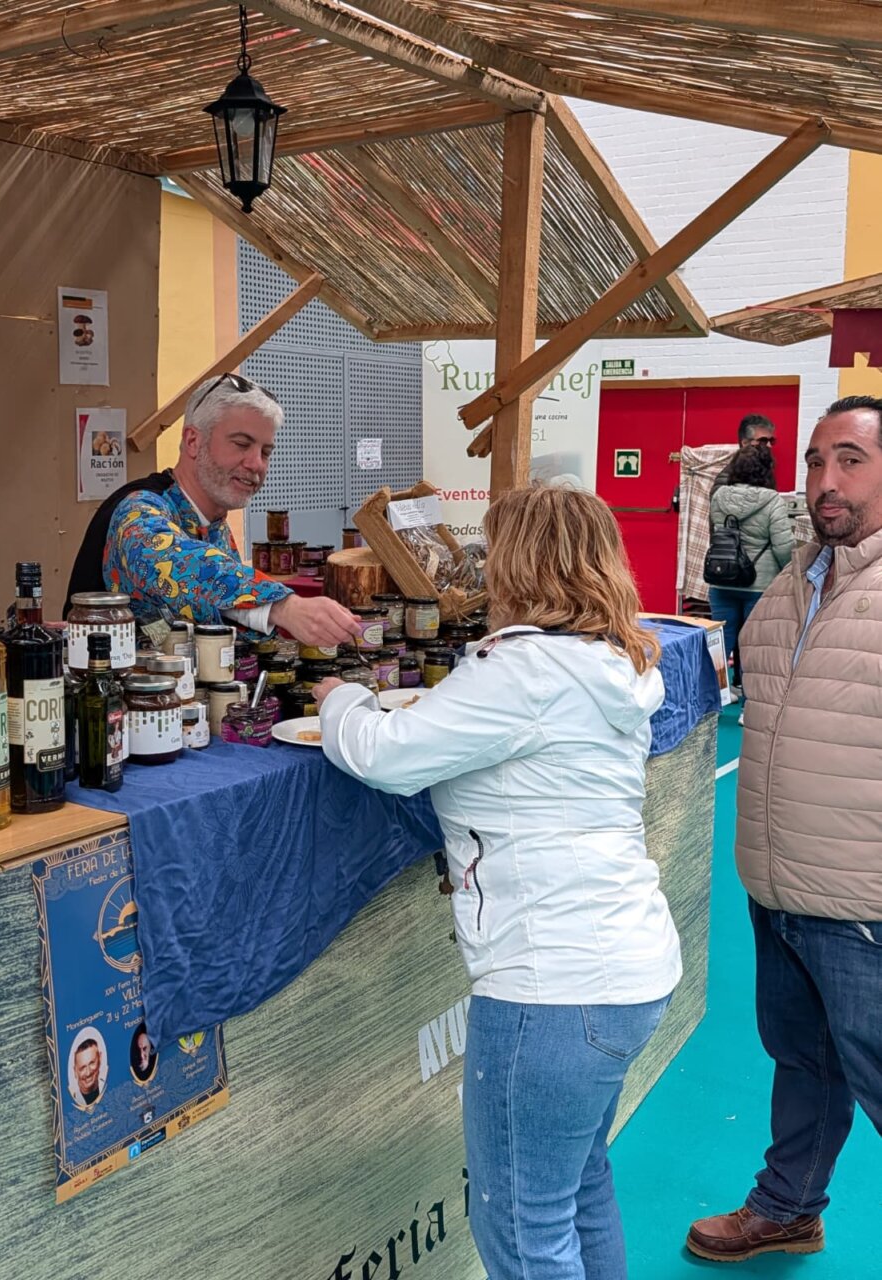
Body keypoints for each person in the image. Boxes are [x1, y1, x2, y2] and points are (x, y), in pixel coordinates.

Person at [314, 485, 681, 1280]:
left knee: (521, 1228)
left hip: (550, 986)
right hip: (627, 966)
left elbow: (383, 755)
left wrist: (338, 697)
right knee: (577, 1188)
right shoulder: (610, 661)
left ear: (515, 563)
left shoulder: (520, 673)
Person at [687, 395, 882, 1264]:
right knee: (803, 1063)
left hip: (860, 897)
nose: (823, 482)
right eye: (813, 461)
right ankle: (788, 1205)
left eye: (849, 460)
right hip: (776, 878)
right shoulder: (799, 573)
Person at [64, 373, 360, 648]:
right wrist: (285, 606)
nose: (256, 464)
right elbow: (169, 558)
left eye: (265, 452)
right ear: (193, 441)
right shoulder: (138, 507)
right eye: (242, 444)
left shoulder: (213, 521)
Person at [708, 443, 794, 696]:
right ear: (766, 471)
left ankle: (715, 697)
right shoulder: (773, 501)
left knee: (720, 642)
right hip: (759, 584)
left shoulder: (718, 496)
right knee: (754, 644)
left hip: (721, 578)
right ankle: (750, 704)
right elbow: (782, 546)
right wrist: (786, 571)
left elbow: (717, 533)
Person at [709, 413, 777, 499]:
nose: (769, 445)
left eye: (772, 441)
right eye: (763, 441)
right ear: (745, 443)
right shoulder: (727, 477)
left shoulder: (767, 473)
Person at [72, 1038, 105, 1107]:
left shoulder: (108, 1084)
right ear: (75, 1071)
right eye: (82, 1068)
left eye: (92, 1063)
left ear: (100, 1059)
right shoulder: (74, 1101)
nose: (88, 1073)